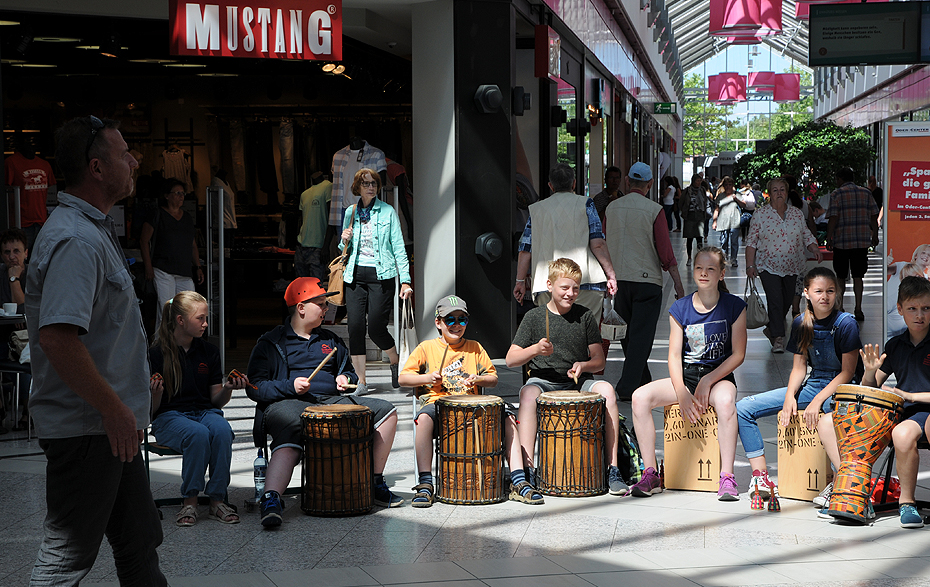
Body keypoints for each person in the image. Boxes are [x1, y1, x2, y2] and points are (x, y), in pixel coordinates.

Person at [26, 116, 166, 585]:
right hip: (91, 429)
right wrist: (112, 409)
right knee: (66, 559)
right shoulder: (75, 239)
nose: (134, 160)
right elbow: (57, 339)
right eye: (124, 152)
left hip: (110, 425)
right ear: (97, 168)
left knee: (139, 541)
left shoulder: (92, 229)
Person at [247, 277, 403, 528]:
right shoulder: (271, 342)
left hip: (331, 400)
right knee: (292, 425)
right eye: (320, 304)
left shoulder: (330, 340)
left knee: (386, 411)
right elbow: (254, 387)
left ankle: (373, 482)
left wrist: (346, 378)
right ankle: (271, 497)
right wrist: (291, 386)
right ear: (301, 307)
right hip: (289, 401)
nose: (326, 308)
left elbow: (350, 372)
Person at [400, 295, 544, 506]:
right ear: (438, 323)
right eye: (450, 320)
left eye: (462, 319)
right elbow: (403, 379)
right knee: (423, 419)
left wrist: (479, 378)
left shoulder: (474, 347)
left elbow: (493, 378)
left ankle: (518, 480)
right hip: (438, 404)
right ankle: (425, 483)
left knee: (508, 418)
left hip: (473, 405)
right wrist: (426, 378)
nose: (456, 325)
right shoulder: (426, 348)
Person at [629, 247, 747, 501]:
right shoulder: (680, 308)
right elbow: (673, 355)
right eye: (699, 268)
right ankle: (650, 473)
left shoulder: (734, 306)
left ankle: (726, 476)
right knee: (640, 397)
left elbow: (738, 354)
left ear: (722, 274)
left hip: (718, 376)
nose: (703, 273)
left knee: (726, 402)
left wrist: (708, 380)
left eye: (711, 269)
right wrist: (681, 392)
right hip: (686, 374)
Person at [735, 268, 859, 510]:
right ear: (806, 293)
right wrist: (790, 396)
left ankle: (840, 482)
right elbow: (799, 367)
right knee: (744, 408)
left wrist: (816, 402)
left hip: (842, 388)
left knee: (832, 418)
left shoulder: (846, 324)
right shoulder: (801, 323)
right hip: (814, 384)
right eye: (819, 291)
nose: (825, 296)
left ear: (838, 293)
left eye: (830, 291)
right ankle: (761, 477)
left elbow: (847, 372)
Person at [506, 258, 626, 496]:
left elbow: (599, 360)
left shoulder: (585, 317)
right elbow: (511, 359)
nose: (570, 294)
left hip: (578, 381)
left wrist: (583, 364)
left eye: (575, 288)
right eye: (564, 288)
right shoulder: (534, 317)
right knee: (528, 394)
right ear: (549, 285)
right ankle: (528, 471)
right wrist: (535, 350)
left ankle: (613, 468)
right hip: (543, 380)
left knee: (608, 392)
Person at [149, 291, 246, 527]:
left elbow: (215, 401)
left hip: (204, 412)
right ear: (180, 320)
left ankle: (217, 499)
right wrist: (156, 394)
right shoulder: (155, 354)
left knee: (221, 429)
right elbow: (151, 412)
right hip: (169, 416)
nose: (205, 324)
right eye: (200, 319)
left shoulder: (209, 352)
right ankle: (190, 501)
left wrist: (228, 388)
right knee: (198, 434)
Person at [604, 162, 684, 400]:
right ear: (650, 184)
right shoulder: (654, 209)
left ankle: (643, 381)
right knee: (641, 336)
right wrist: (678, 284)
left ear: (627, 181)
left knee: (629, 337)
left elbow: (603, 242)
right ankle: (627, 387)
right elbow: (666, 252)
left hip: (619, 281)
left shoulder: (611, 208)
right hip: (647, 282)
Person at [860, 276, 930, 528]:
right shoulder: (895, 344)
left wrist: (910, 396)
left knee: (908, 431)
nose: (919, 315)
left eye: (926, 308)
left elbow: (909, 395)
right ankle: (858, 496)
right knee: (891, 432)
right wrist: (869, 371)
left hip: (925, 412)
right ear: (900, 309)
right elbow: (869, 389)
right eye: (912, 308)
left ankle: (907, 502)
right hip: (907, 414)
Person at [513, 163, 618, 324]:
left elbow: (525, 250)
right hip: (586, 282)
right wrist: (610, 275)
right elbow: (598, 244)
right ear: (574, 183)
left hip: (547, 284)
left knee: (553, 336)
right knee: (586, 337)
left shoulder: (536, 210)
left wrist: (520, 281)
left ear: (550, 186)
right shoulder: (586, 204)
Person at [339, 168, 412, 395]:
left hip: (382, 275)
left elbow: (398, 247)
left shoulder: (387, 211)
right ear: (358, 188)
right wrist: (343, 240)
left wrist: (406, 281)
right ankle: (361, 381)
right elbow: (344, 250)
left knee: (377, 328)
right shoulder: (351, 212)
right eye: (366, 184)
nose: (371, 187)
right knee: (355, 327)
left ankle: (394, 359)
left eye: (374, 184)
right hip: (355, 275)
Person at [746, 177, 823, 353]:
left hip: (792, 265)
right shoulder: (760, 215)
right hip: (768, 266)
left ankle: (772, 328)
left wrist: (814, 248)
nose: (779, 193)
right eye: (775, 190)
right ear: (769, 194)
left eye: (782, 190)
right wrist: (750, 266)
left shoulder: (796, 214)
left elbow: (806, 234)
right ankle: (779, 338)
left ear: (787, 193)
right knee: (775, 300)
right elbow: (751, 242)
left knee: (787, 301)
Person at [140, 177, 205, 328]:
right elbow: (144, 241)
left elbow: (192, 244)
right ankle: (161, 345)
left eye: (183, 193)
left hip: (184, 270)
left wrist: (198, 266)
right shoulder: (157, 215)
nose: (181, 196)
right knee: (166, 309)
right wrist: (148, 267)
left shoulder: (187, 217)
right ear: (166, 195)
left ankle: (182, 344)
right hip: (163, 268)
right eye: (177, 193)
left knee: (188, 308)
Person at [826, 167, 879, 322]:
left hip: (842, 242)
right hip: (861, 241)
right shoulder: (866, 193)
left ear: (841, 179)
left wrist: (829, 237)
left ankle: (840, 307)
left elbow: (833, 218)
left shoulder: (837, 194)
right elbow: (873, 216)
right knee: (858, 276)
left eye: (837, 179)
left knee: (841, 276)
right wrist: (874, 234)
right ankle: (858, 308)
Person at [4, 139, 56, 251]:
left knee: (41, 257)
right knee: (21, 258)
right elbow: (7, 191)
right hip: (21, 222)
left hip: (42, 221)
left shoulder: (45, 165)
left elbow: (51, 188)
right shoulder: (11, 163)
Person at [296, 171, 332, 280]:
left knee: (315, 286)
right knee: (301, 287)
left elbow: (332, 218)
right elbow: (301, 219)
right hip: (301, 245)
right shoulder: (304, 194)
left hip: (318, 246)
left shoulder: (328, 186)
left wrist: (326, 246)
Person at [712, 176, 744, 267]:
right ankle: (724, 258)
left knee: (734, 241)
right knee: (723, 241)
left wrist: (736, 199)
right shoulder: (720, 196)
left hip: (734, 221)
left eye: (730, 184)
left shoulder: (737, 194)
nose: (728, 186)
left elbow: (743, 205)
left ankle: (733, 259)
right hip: (723, 221)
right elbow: (716, 209)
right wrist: (714, 221)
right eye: (726, 185)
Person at [681, 174, 709, 266]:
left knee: (699, 237)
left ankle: (699, 257)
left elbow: (705, 201)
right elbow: (681, 202)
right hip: (690, 216)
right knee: (689, 238)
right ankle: (689, 257)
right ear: (693, 181)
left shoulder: (702, 190)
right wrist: (684, 212)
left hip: (700, 216)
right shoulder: (687, 191)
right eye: (697, 181)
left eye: (700, 181)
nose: (699, 183)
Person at [0, 228, 28, 306]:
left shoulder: (34, 274)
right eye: (7, 252)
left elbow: (23, 308)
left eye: (16, 251)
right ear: (2, 256)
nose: (12, 257)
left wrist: (14, 278)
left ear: (26, 253)